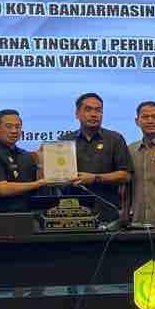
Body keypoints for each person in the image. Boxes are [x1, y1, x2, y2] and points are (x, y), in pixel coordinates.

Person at [59, 93, 133, 221]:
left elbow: (126, 175)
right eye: (88, 109)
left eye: (98, 110)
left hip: (107, 212)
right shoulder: (65, 141)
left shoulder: (115, 139)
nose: (94, 114)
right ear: (77, 113)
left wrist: (95, 178)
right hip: (72, 213)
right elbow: (57, 177)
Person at [0, 109, 46, 214]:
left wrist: (42, 162)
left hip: (27, 215)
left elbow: (38, 185)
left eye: (18, 127)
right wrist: (38, 183)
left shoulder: (26, 155)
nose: (14, 131)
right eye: (9, 126)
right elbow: (2, 189)